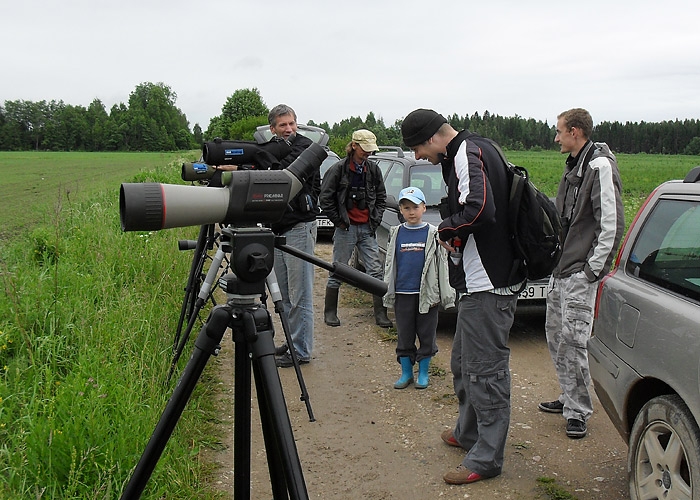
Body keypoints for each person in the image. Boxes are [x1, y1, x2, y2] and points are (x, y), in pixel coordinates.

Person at [401, 108, 524, 485]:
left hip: (490, 283)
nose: (418, 157)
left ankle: (486, 458)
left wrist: (445, 229)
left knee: (485, 372)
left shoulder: (467, 151)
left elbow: (480, 211)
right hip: (475, 281)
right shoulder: (466, 152)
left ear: (436, 137)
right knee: (463, 363)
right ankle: (468, 434)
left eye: (419, 148)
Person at [538, 108, 624, 438]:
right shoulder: (574, 164)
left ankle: (578, 411)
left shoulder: (599, 166)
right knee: (556, 335)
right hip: (562, 269)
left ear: (575, 132)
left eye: (559, 131)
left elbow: (611, 224)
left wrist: (591, 271)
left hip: (579, 272)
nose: (556, 137)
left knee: (574, 340)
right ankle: (567, 395)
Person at [263, 104, 321, 368]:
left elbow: (283, 169)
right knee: (283, 294)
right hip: (276, 228)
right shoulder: (271, 148)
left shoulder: (306, 147)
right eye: (283, 125)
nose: (288, 129)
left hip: (300, 227)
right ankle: (291, 340)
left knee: (301, 294)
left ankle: (301, 350)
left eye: (292, 124)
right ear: (272, 128)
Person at [382, 186, 455, 390]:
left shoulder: (433, 233)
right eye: (406, 207)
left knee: (426, 335)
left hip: (426, 296)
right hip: (403, 294)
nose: (411, 212)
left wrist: (445, 294)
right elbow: (390, 264)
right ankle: (406, 373)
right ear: (401, 211)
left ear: (424, 207)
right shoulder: (396, 233)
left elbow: (442, 267)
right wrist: (388, 289)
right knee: (404, 335)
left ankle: (423, 373)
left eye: (415, 207)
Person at [319, 129, 392, 328]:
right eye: (364, 149)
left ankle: (381, 314)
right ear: (354, 146)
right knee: (338, 269)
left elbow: (381, 197)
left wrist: (374, 221)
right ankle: (330, 312)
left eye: (370, 150)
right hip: (346, 229)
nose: (367, 153)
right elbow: (325, 199)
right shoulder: (338, 169)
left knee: (376, 271)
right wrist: (340, 222)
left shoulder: (373, 170)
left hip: (367, 229)